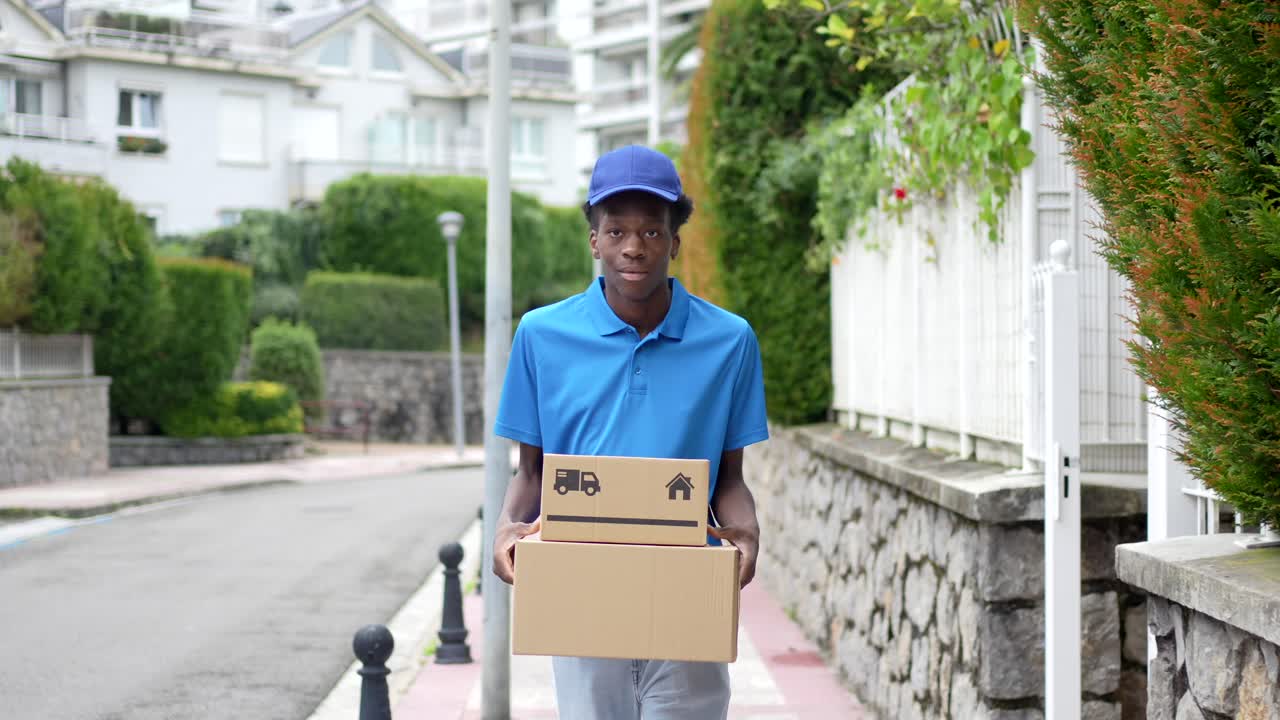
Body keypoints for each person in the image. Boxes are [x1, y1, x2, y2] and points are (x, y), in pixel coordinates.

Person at [490, 144, 770, 720]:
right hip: (582, 593)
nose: (634, 247)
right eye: (617, 231)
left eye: (651, 231)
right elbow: (532, 473)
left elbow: (730, 477)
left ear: (674, 240)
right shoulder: (541, 336)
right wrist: (505, 530)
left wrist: (746, 531)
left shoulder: (730, 340)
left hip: (686, 593)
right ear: (594, 239)